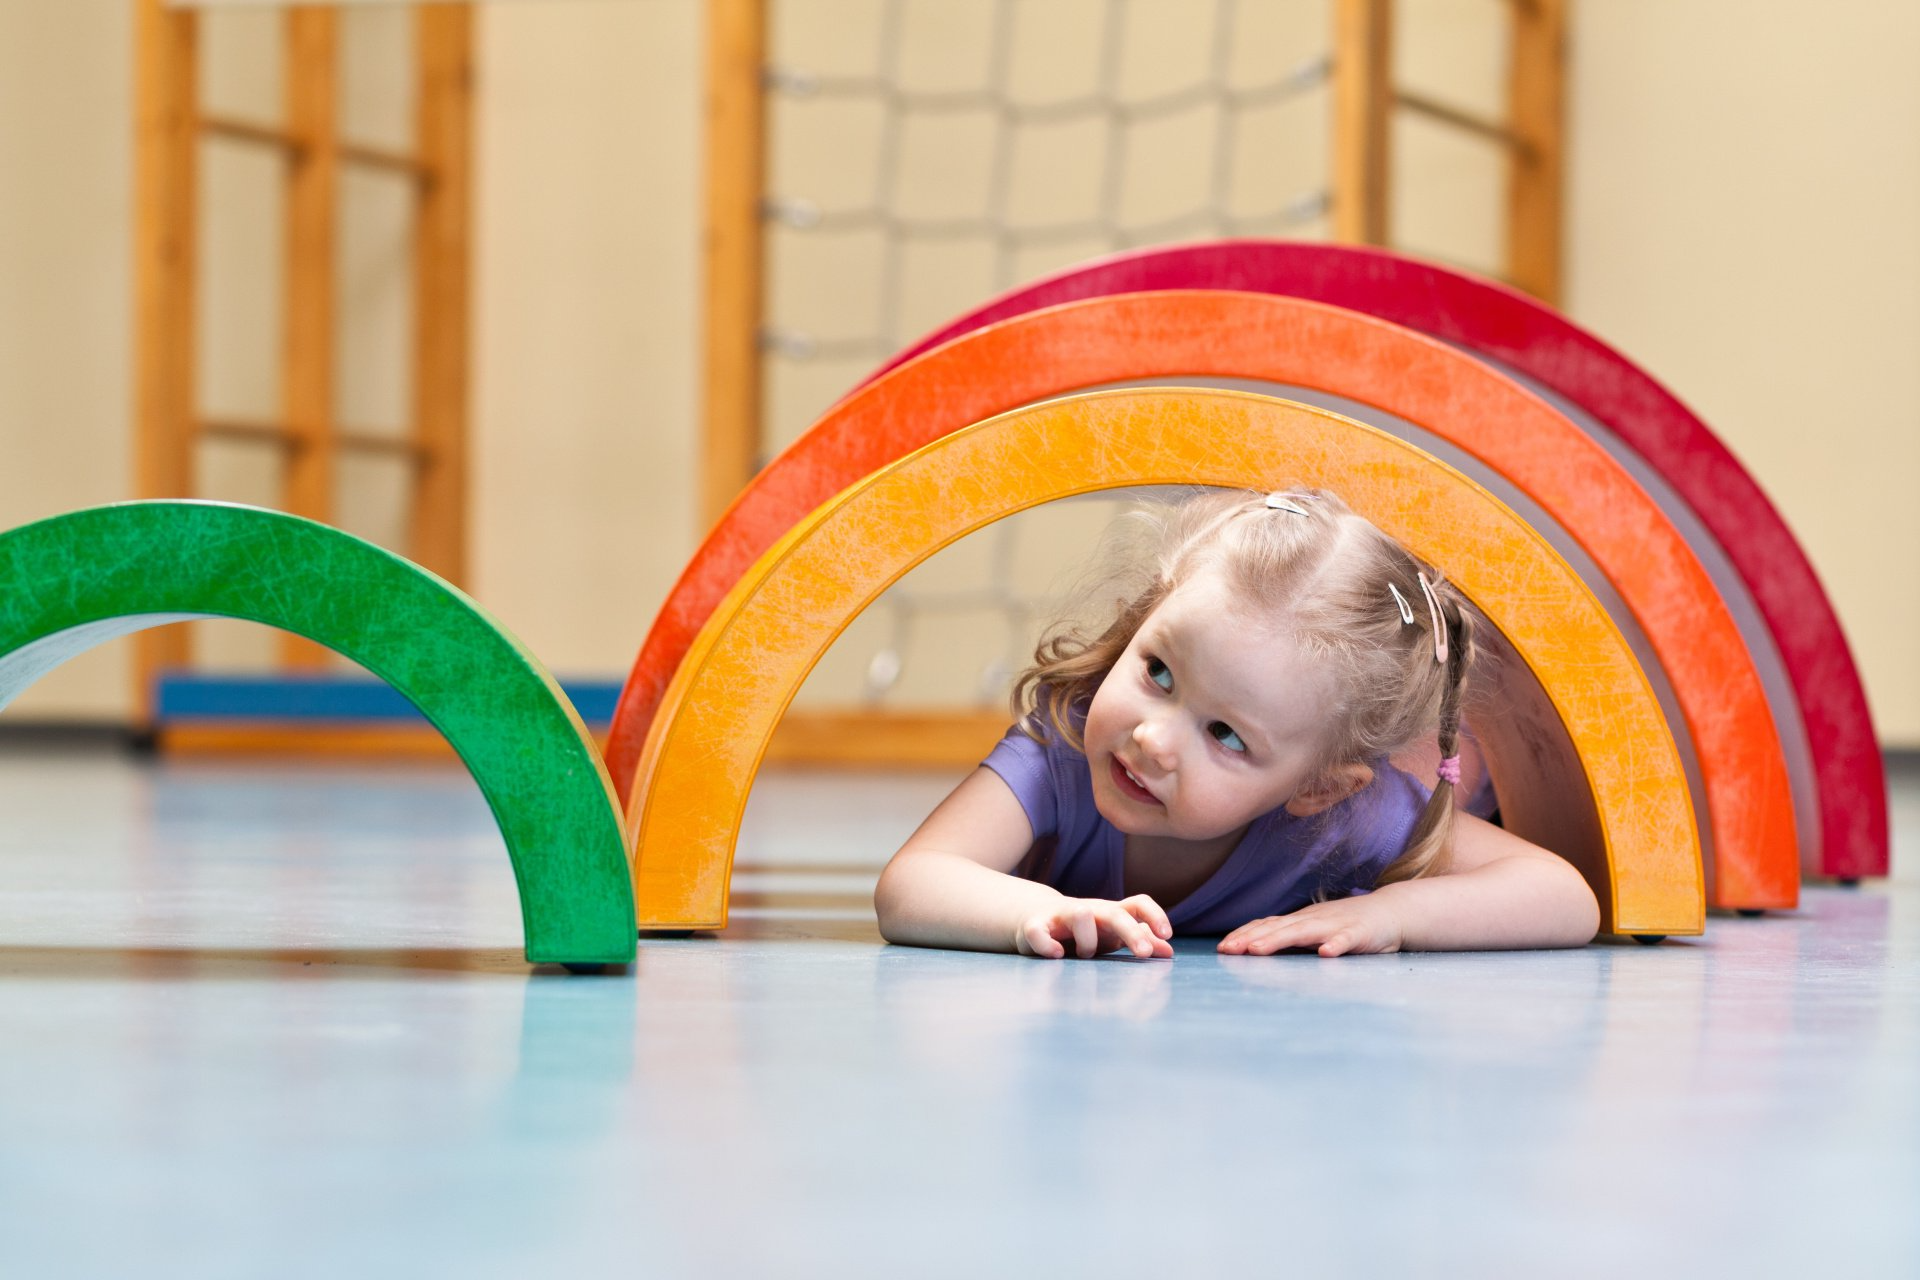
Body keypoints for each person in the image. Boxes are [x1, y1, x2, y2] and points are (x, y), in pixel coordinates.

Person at [873, 488, 1601, 960]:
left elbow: (1565, 896)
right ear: (1146, 616)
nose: (1151, 739)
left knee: (1463, 767)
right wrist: (1034, 912)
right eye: (1158, 671)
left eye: (1224, 735)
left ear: (1316, 788)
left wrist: (1397, 914)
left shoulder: (1347, 816)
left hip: (1442, 761)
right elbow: (915, 879)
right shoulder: (1063, 746)